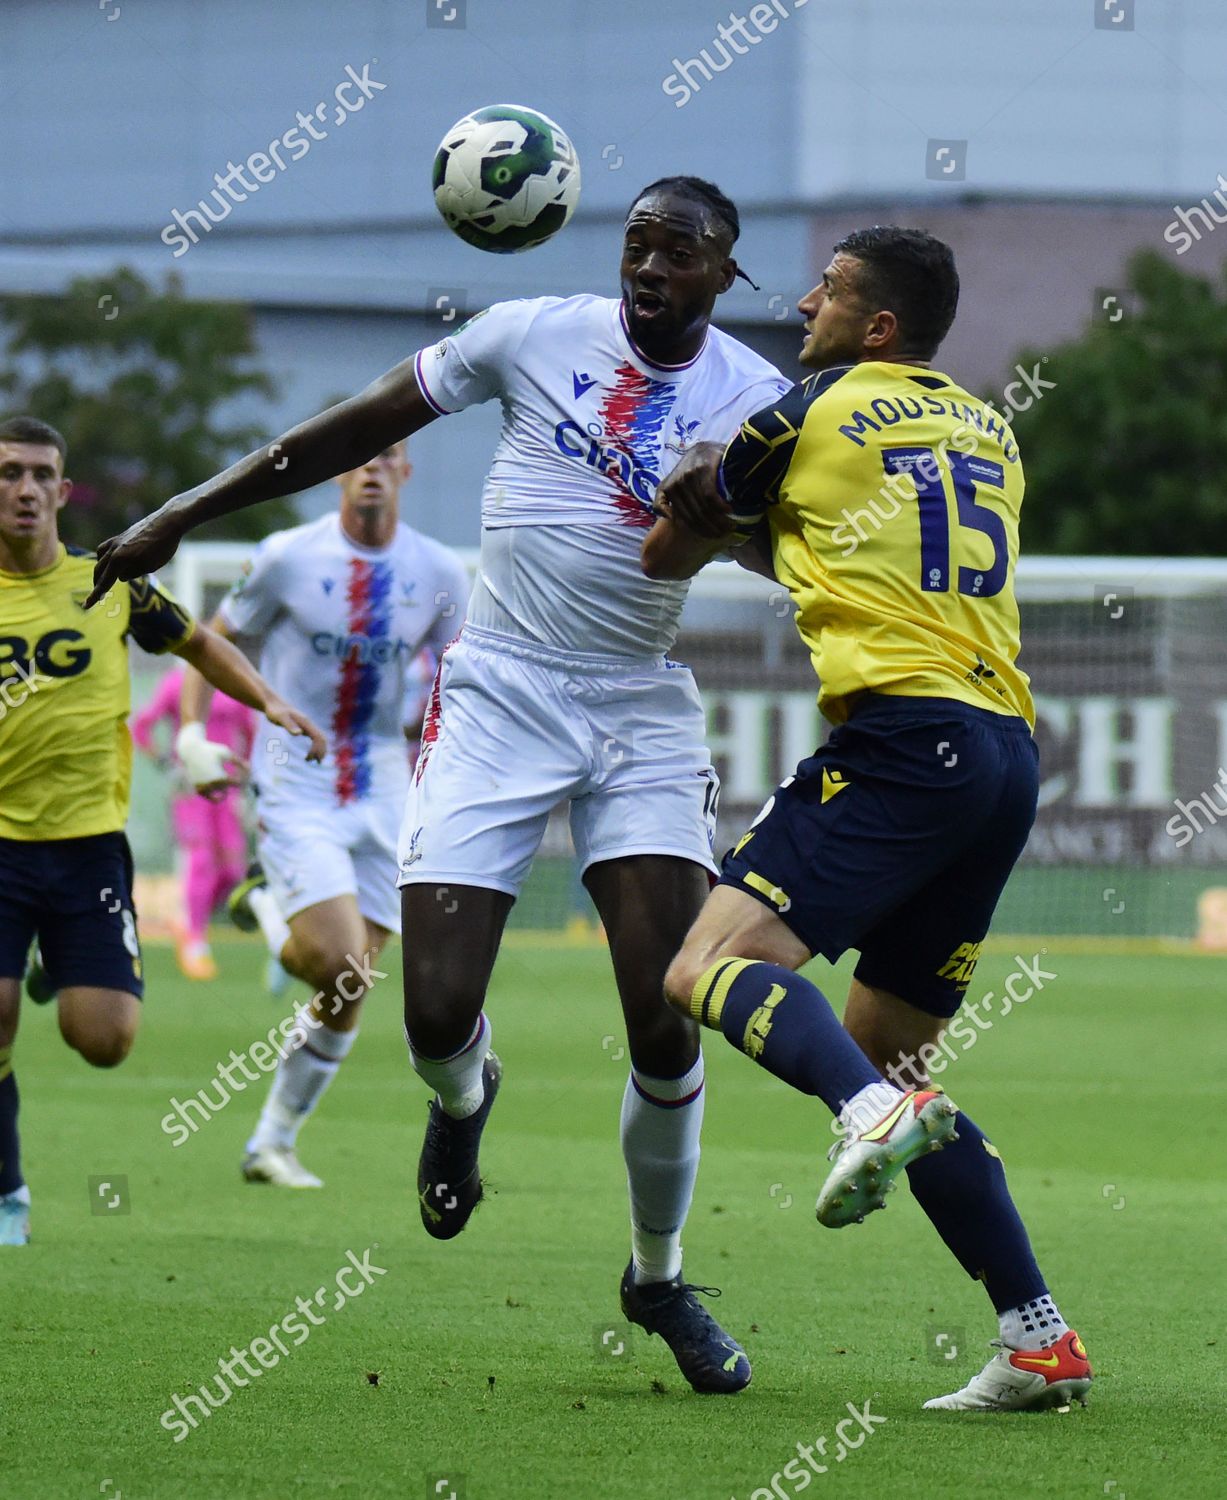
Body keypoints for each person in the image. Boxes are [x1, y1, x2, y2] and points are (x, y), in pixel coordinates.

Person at [86, 176, 791, 1395]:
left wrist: (732, 516)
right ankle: (464, 1100)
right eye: (637, 243)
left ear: (723, 275)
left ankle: (659, 1277)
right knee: (430, 1012)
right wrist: (176, 512)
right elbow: (347, 428)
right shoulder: (529, 332)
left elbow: (808, 550)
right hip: (500, 694)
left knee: (667, 1011)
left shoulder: (760, 401)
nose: (650, 266)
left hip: (637, 704)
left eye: (679, 253)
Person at [642, 227, 1093, 1413]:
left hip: (903, 742)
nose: (804, 303)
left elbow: (660, 553)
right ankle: (1036, 1336)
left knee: (701, 966)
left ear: (876, 325)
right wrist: (764, 529)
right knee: (896, 1051)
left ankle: (863, 1113)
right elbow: (853, 552)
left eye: (829, 291)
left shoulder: (809, 408)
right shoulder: (989, 426)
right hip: (1002, 756)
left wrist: (697, 487)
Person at [0, 415, 325, 1247]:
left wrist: (268, 703)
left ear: (64, 492)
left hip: (86, 849)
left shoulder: (107, 583)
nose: (25, 489)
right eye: (8, 473)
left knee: (103, 1040)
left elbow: (197, 642)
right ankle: (8, 1193)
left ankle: (51, 964)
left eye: (41, 475)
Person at [179, 441, 469, 1190]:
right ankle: (275, 913)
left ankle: (271, 1143)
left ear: (408, 470)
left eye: (390, 455)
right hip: (293, 771)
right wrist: (191, 733)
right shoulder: (285, 556)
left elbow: (459, 675)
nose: (372, 467)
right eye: (359, 457)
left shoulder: (437, 572)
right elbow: (208, 639)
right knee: (339, 959)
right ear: (341, 471)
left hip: (383, 782)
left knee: (349, 985)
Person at [130, 663, 255, 980]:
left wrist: (245, 771)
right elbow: (141, 725)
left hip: (225, 790)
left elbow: (250, 731)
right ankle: (196, 943)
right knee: (200, 860)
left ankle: (188, 926)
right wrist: (163, 761)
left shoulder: (231, 678)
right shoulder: (176, 683)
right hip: (190, 788)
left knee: (232, 871)